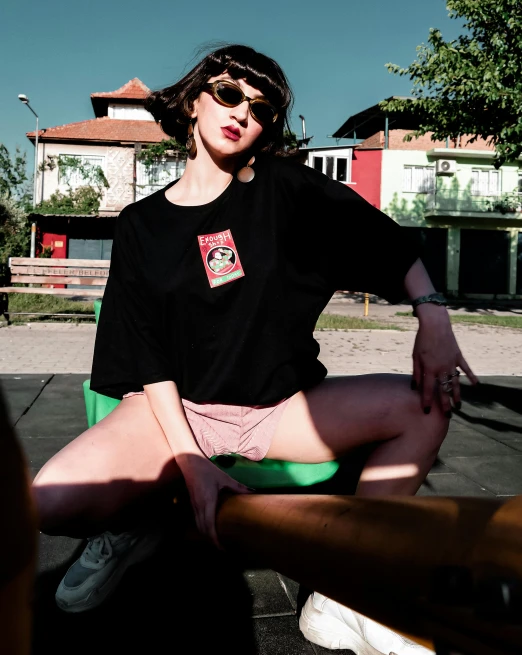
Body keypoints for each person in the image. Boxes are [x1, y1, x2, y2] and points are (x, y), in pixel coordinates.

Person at [32, 44, 476, 652]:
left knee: (427, 403)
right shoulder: (140, 226)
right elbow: (149, 356)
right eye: (229, 93)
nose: (244, 111)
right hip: (173, 411)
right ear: (193, 100)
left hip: (277, 408)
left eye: (262, 108)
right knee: (49, 502)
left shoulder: (284, 189)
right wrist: (191, 463)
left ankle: (345, 593)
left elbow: (383, 240)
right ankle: (138, 523)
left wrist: (434, 319)